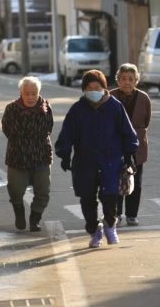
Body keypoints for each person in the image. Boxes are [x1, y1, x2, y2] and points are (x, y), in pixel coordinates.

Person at [55, 69, 139, 249]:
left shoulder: (115, 107)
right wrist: (64, 154)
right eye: (90, 87)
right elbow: (67, 134)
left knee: (110, 197)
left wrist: (129, 154)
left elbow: (128, 133)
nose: (94, 90)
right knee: (87, 199)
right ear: (84, 90)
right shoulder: (77, 110)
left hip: (111, 161)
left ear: (104, 87)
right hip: (85, 162)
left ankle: (110, 225)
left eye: (97, 87)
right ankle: (94, 230)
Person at [2, 76, 53, 232]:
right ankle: (19, 211)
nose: (31, 97)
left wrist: (28, 130)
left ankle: (35, 219)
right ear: (21, 93)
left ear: (39, 93)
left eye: (34, 93)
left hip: (41, 156)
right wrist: (28, 124)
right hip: (18, 157)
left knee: (43, 191)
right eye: (27, 93)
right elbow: (9, 131)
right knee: (16, 190)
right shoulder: (11, 109)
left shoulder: (45, 108)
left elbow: (47, 129)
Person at [110, 63, 151, 227]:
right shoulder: (110, 96)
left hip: (137, 146)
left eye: (131, 79)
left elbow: (146, 121)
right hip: (115, 146)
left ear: (136, 81)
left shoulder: (143, 98)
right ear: (118, 80)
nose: (127, 82)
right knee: (116, 181)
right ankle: (117, 213)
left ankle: (132, 215)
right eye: (123, 79)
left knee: (136, 182)